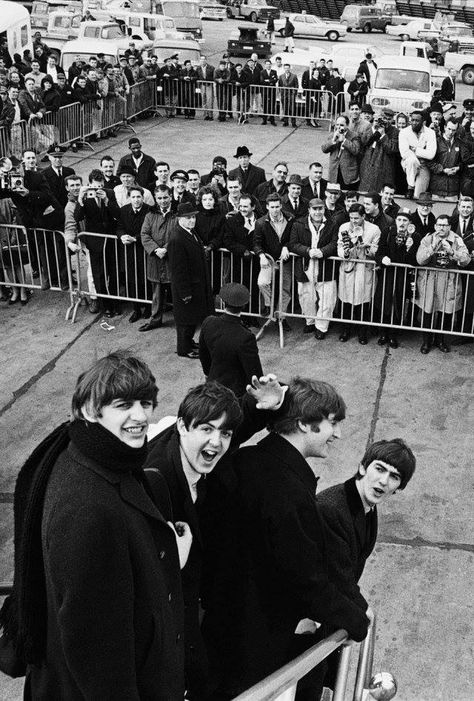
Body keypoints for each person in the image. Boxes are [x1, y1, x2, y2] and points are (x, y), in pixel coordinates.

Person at [0, 350, 191, 699]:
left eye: (146, 403)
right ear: (90, 410)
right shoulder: (89, 508)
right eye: (123, 405)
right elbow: (97, 650)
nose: (140, 416)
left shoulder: (86, 452)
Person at [202, 378, 370, 701]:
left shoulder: (242, 460)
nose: (338, 434)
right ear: (305, 424)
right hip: (255, 646)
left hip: (217, 627)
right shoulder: (290, 493)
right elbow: (306, 579)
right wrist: (355, 620)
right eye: (332, 424)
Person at [144, 376, 287, 701]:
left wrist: (271, 403)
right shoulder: (157, 482)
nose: (217, 442)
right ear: (181, 426)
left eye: (223, 433)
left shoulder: (201, 451)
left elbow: (238, 426)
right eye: (206, 430)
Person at [317, 439, 416, 694]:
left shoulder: (367, 509)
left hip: (328, 617)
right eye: (379, 469)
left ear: (399, 487)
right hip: (305, 621)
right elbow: (338, 577)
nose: (383, 481)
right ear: (363, 467)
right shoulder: (332, 508)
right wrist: (362, 616)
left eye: (394, 477)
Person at [415, 214, 470, 354]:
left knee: (446, 312)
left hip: (449, 281)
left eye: (445, 225)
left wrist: (452, 251)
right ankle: (427, 341)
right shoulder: (428, 238)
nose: (441, 228)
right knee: (428, 311)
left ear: (450, 227)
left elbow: (466, 259)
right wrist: (432, 247)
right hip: (430, 280)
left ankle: (440, 340)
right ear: (435, 226)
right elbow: (420, 260)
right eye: (439, 225)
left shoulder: (457, 240)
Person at [168, 201, 214, 359]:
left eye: (193, 217)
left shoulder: (190, 232)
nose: (192, 220)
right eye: (188, 218)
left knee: (191, 319)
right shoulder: (177, 238)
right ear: (180, 218)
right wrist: (185, 293)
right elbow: (178, 270)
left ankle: (188, 343)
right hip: (186, 288)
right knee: (185, 321)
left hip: (195, 284)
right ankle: (184, 349)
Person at [199, 283, 263, 397]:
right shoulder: (245, 337)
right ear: (244, 306)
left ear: (224, 302)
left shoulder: (209, 322)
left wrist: (209, 374)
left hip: (213, 384)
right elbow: (254, 372)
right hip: (235, 392)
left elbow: (203, 355)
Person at [289, 197, 338, 339]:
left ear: (324, 209)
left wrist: (323, 251)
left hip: (325, 265)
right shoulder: (298, 224)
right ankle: (309, 321)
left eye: (320, 209)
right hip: (306, 265)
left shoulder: (332, 224)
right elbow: (293, 244)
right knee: (306, 296)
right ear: (309, 210)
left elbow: (335, 243)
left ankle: (321, 327)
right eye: (315, 209)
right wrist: (308, 251)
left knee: (327, 297)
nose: (318, 212)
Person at [374, 208, 420, 348]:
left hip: (403, 275)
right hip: (388, 274)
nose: (401, 223)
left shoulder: (415, 236)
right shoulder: (388, 232)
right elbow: (378, 253)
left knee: (399, 304)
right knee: (384, 302)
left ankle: (393, 334)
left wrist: (409, 249)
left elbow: (415, 261)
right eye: (399, 219)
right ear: (395, 220)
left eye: (405, 220)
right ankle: (383, 333)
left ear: (410, 223)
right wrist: (382, 258)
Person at [337, 203, 380, 345]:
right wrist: (346, 251)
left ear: (363, 216)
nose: (353, 221)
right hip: (348, 269)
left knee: (363, 303)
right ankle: (345, 330)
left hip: (364, 270)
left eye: (356, 218)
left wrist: (366, 246)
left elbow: (376, 251)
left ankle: (362, 333)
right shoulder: (344, 227)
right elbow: (339, 247)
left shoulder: (374, 230)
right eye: (351, 218)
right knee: (346, 301)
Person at [254, 192, 294, 325]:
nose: (275, 210)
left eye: (277, 207)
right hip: (269, 260)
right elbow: (256, 243)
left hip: (285, 260)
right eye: (272, 207)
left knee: (285, 289)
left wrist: (286, 247)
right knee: (262, 282)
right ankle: (268, 305)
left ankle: (281, 318)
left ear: (281, 205)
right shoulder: (260, 223)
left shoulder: (290, 219)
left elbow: (293, 239)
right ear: (267, 207)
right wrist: (261, 255)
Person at [139, 184, 174, 332]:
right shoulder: (150, 215)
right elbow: (144, 234)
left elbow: (178, 234)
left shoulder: (177, 214)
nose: (163, 201)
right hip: (155, 259)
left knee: (177, 292)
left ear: (170, 197)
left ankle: (182, 320)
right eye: (159, 198)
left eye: (165, 197)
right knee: (157, 293)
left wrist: (166, 248)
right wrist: (155, 249)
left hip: (172, 259)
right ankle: (155, 319)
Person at [117, 186, 152, 324]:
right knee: (131, 279)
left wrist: (135, 238)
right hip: (129, 251)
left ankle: (148, 307)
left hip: (144, 250)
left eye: (139, 197)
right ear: (129, 198)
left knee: (146, 278)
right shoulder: (124, 210)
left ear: (143, 198)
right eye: (133, 197)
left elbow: (150, 231)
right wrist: (122, 236)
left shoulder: (149, 210)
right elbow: (119, 227)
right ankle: (136, 309)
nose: (136, 200)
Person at [398, 111, 437, 199]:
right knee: (412, 160)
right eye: (413, 120)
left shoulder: (430, 133)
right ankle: (410, 187)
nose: (414, 123)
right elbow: (404, 153)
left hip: (424, 164)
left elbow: (431, 154)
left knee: (419, 195)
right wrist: (422, 152)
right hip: (408, 163)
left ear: (423, 122)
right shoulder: (404, 132)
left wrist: (415, 149)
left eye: (417, 120)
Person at [359, 110, 399, 193]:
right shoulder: (372, 128)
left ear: (392, 120)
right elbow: (364, 142)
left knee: (381, 192)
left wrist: (383, 135)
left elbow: (392, 148)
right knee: (365, 190)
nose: (386, 121)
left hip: (384, 166)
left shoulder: (395, 132)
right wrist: (374, 129)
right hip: (368, 163)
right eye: (384, 118)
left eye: (389, 119)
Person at [430, 119, 467, 200]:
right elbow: (429, 162)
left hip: (453, 189)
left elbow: (464, 162)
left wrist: (458, 168)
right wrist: (443, 170)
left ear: (456, 130)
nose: (451, 132)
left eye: (453, 130)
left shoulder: (460, 143)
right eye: (449, 129)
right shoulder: (436, 142)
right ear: (445, 127)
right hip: (437, 188)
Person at [321, 115, 361, 190]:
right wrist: (333, 141)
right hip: (334, 172)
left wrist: (344, 140)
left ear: (347, 125)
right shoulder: (332, 135)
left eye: (342, 125)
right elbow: (324, 149)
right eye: (337, 125)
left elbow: (356, 151)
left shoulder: (354, 135)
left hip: (348, 174)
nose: (339, 127)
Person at [42, 144, 75, 209]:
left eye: (60, 157)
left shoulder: (70, 172)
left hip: (68, 206)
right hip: (54, 209)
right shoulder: (43, 174)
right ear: (49, 157)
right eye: (55, 157)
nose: (58, 159)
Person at [278, 63, 298, 127]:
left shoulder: (294, 76)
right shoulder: (281, 76)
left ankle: (293, 123)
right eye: (285, 68)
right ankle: (286, 122)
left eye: (288, 68)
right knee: (285, 108)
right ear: (284, 68)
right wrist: (282, 92)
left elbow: (296, 85)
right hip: (284, 95)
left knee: (292, 109)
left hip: (291, 95)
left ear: (290, 68)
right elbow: (280, 85)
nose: (287, 69)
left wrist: (294, 93)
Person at [196, 55, 215, 121]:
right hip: (202, 85)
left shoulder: (211, 68)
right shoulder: (198, 68)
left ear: (206, 60)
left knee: (210, 100)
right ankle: (206, 114)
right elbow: (197, 76)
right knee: (203, 100)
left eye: (204, 59)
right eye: (201, 59)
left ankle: (210, 115)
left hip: (209, 85)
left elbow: (213, 77)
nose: (202, 61)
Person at [260, 59, 277, 125]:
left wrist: (268, 81)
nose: (268, 65)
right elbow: (262, 81)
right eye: (267, 64)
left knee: (272, 105)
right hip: (265, 91)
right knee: (265, 105)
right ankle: (264, 120)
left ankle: (272, 120)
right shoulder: (262, 72)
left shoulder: (274, 72)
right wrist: (270, 81)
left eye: (269, 64)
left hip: (272, 91)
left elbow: (275, 80)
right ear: (265, 65)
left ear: (271, 65)